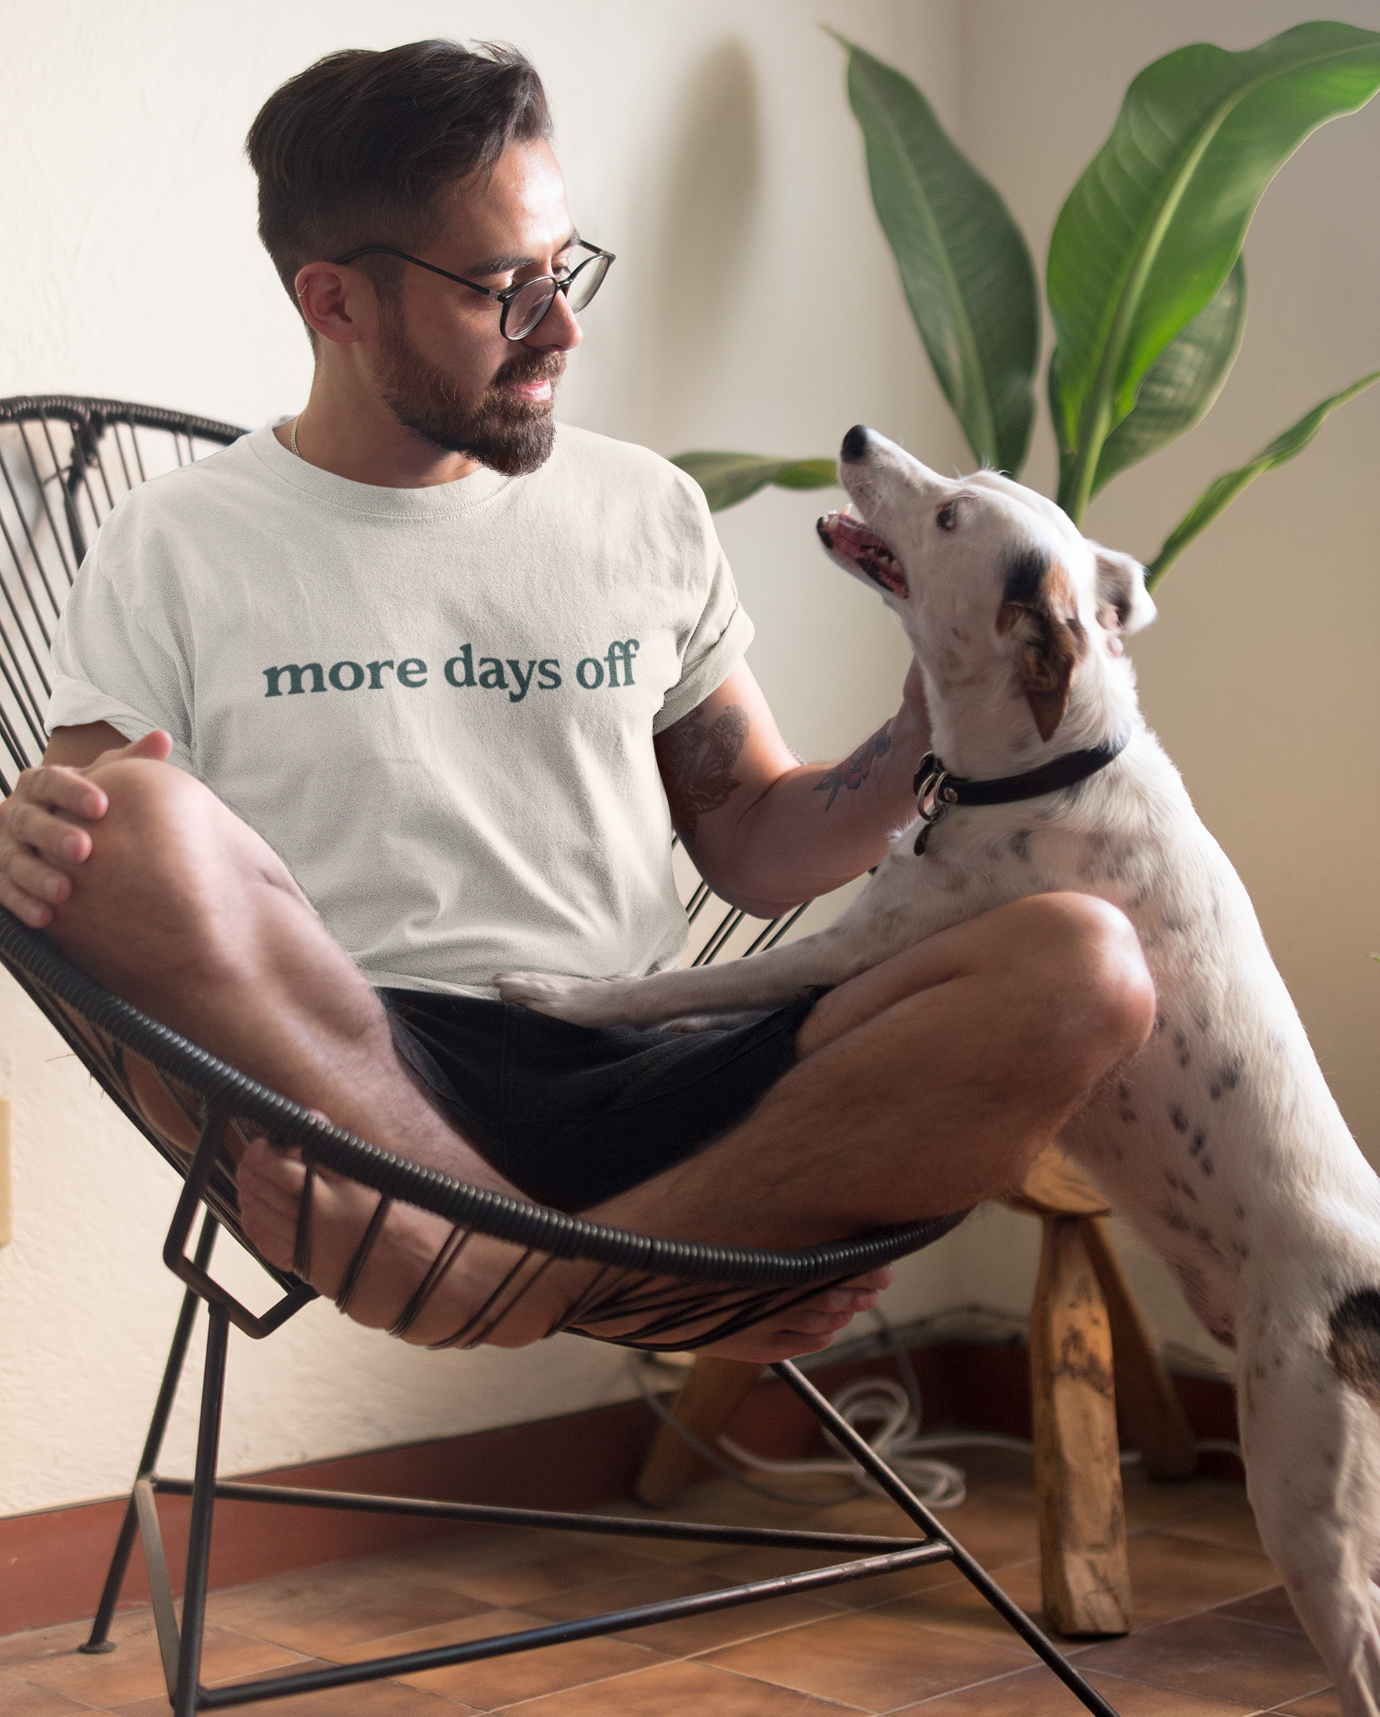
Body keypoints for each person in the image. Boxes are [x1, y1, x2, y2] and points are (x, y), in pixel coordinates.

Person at [0, 41, 1154, 1362]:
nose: (562, 328)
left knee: (1087, 965)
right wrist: (32, 839)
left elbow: (755, 844)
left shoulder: (639, 508)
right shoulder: (180, 543)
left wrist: (926, 731)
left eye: (565, 270)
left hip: (654, 1059)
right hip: (355, 1083)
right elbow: (92, 878)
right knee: (125, 822)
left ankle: (503, 1269)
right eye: (507, 291)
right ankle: (618, 1260)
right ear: (334, 301)